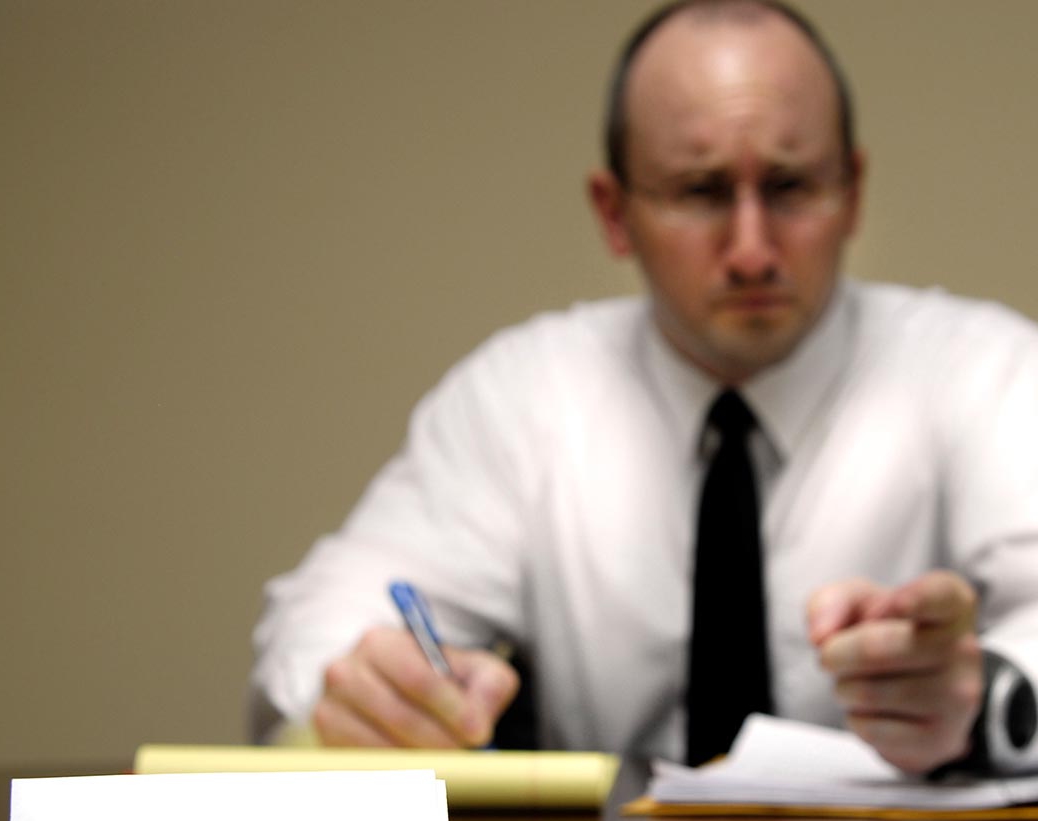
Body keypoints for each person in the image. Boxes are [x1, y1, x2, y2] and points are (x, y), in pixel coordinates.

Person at [251, 0, 1038, 775]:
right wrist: (367, 682)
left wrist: (986, 699)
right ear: (614, 213)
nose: (753, 250)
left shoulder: (987, 373)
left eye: (792, 186)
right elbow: (329, 611)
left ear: (854, 192)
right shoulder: (523, 397)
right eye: (700, 192)